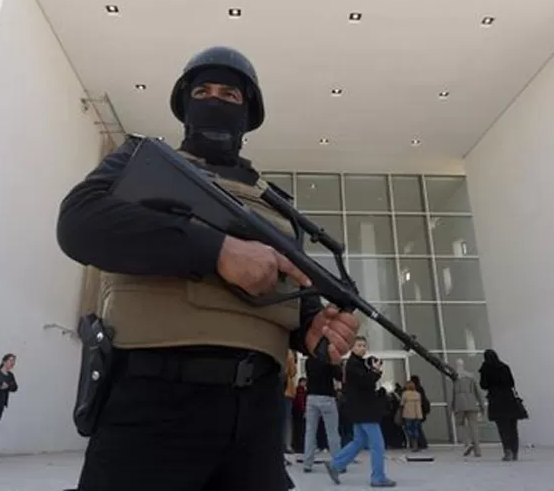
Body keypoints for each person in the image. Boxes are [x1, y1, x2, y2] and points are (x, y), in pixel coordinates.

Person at [56, 45, 359, 491]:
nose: (215, 100)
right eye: (204, 90)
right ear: (184, 105)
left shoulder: (276, 205)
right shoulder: (139, 160)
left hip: (257, 419)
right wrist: (216, 250)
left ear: (249, 111)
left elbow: (297, 297)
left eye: (230, 95)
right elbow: (79, 222)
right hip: (153, 402)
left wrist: (313, 328)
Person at [324, 337, 396, 488]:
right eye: (359, 345)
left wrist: (373, 369)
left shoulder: (357, 364)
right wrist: (376, 371)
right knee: (377, 444)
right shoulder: (353, 365)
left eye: (364, 345)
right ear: (352, 347)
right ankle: (378, 477)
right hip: (365, 410)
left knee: (359, 441)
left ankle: (335, 465)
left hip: (360, 409)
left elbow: (365, 382)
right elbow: (366, 382)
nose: (362, 348)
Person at [478, 349, 523, 461]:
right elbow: (512, 383)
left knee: (503, 428)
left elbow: (483, 385)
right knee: (513, 427)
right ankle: (515, 451)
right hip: (509, 399)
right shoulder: (504, 367)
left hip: (496, 400)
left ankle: (508, 451)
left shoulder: (486, 368)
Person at [451, 358, 484, 458]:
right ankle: (477, 450)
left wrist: (451, 407)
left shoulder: (454, 376)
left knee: (460, 424)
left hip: (459, 403)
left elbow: (452, 393)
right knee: (474, 427)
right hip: (471, 402)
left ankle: (467, 443)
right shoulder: (470, 376)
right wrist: (481, 404)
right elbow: (477, 391)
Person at [400, 381, 424, 452]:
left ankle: (412, 442)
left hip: (408, 414)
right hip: (417, 414)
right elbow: (420, 404)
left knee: (408, 428)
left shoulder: (405, 394)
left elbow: (402, 403)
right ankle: (415, 444)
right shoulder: (418, 394)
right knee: (416, 429)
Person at [284, 350, 297, 454]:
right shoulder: (289, 353)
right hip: (287, 390)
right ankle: (287, 444)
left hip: (272, 389)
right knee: (287, 419)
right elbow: (292, 372)